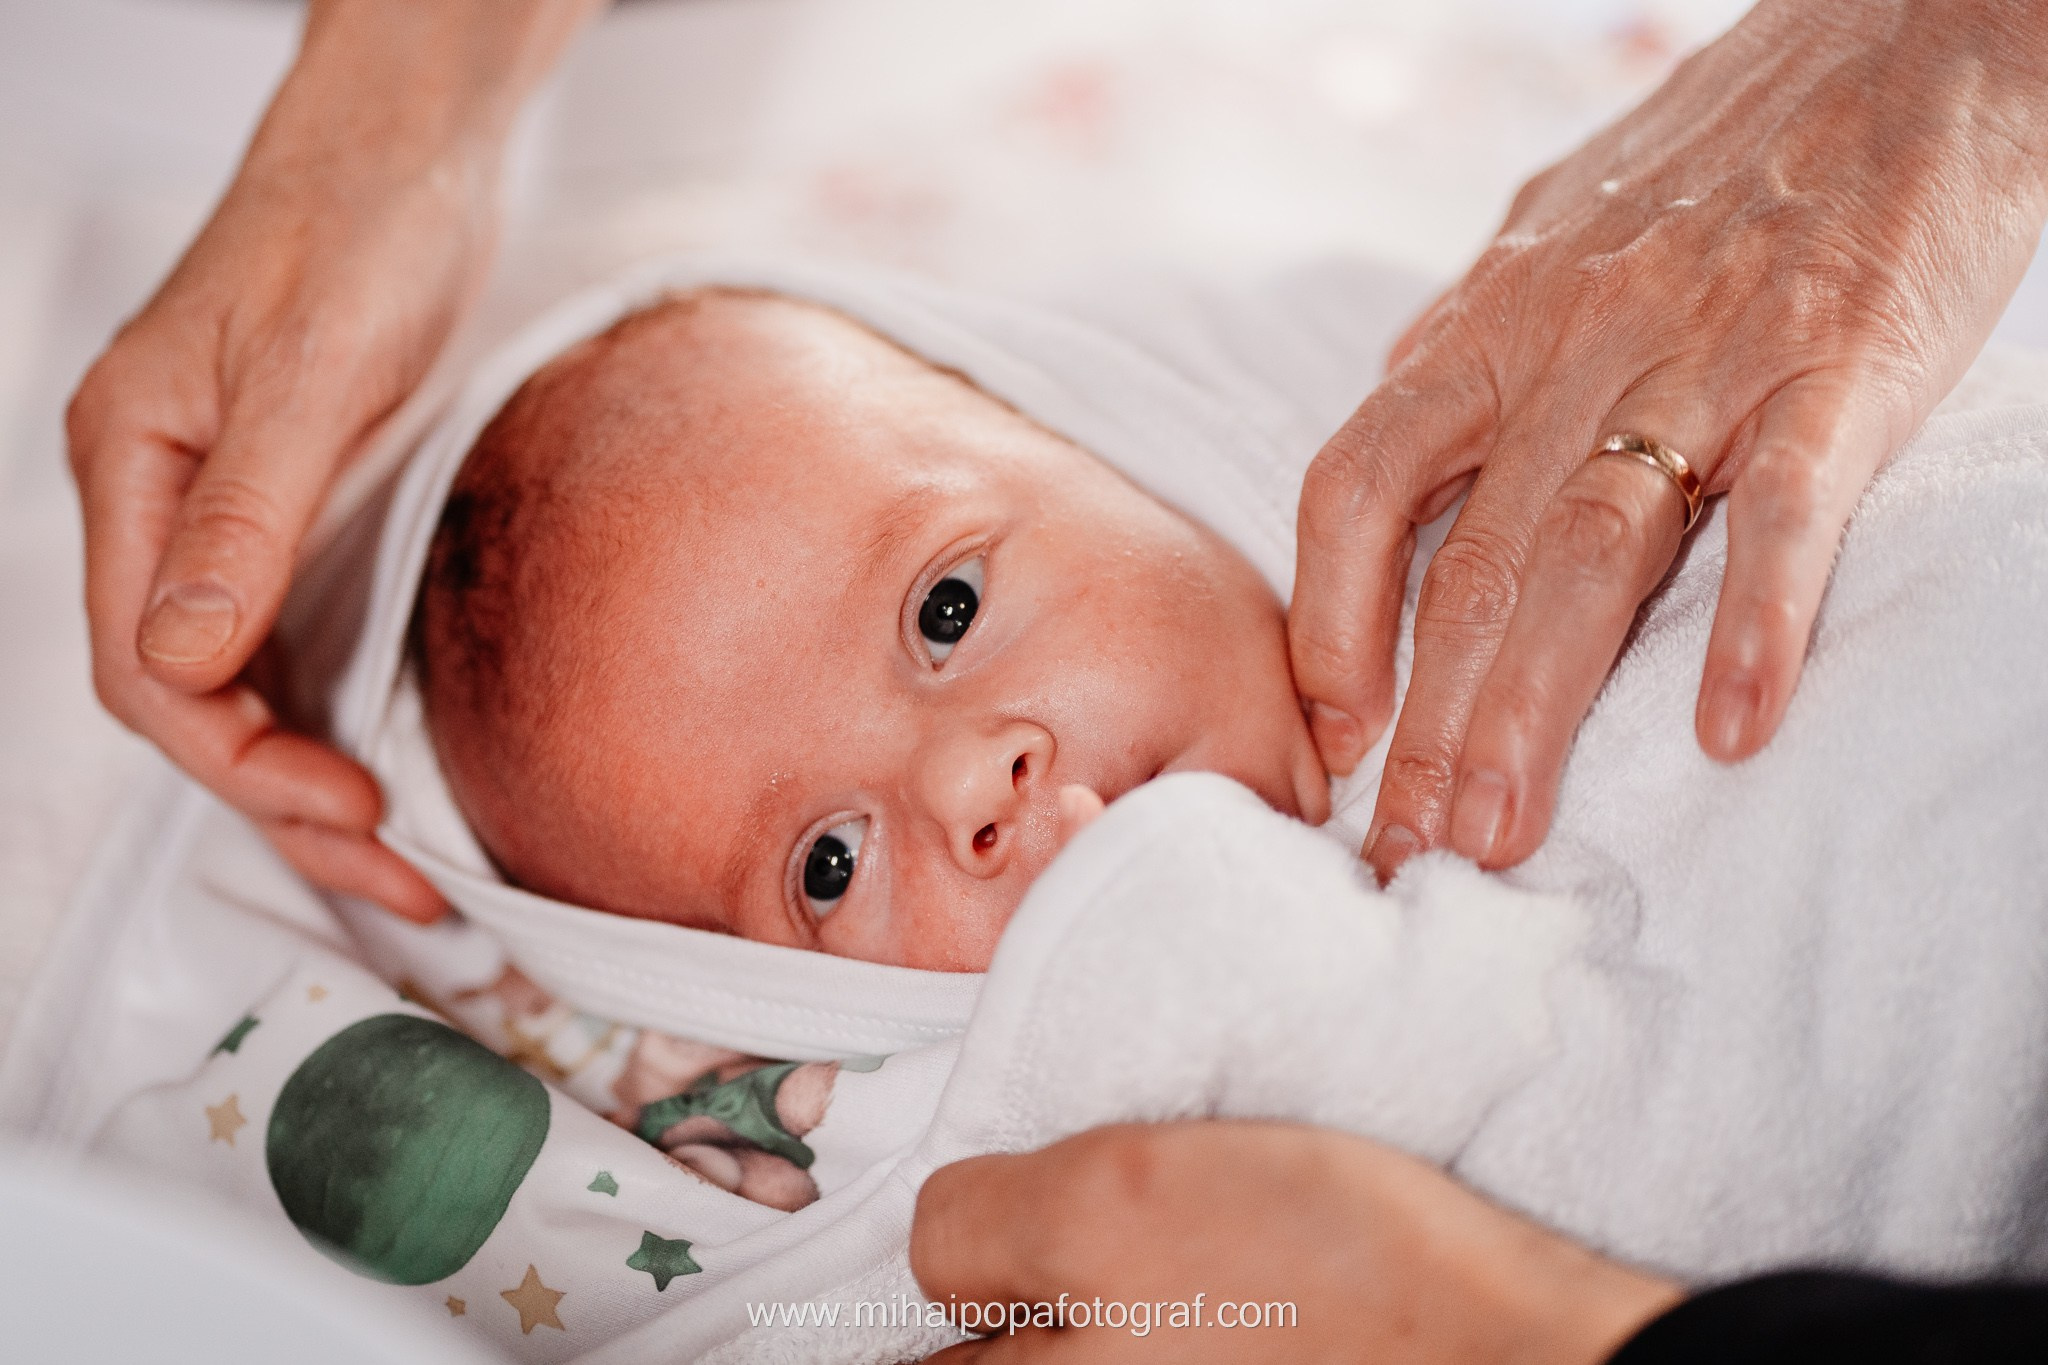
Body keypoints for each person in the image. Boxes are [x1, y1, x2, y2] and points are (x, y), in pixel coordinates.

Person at [63, 0, 2048, 1359]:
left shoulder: (1498, 453)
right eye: (824, 866)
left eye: (943, 610)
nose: (969, 783)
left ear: (1124, 444)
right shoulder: (1046, 1141)